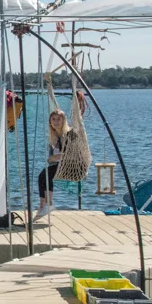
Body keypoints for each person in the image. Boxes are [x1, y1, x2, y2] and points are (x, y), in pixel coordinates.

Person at [37, 90, 88, 220]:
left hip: (76, 167)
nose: (56, 122)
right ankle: (42, 205)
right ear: (50, 123)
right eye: (53, 119)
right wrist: (53, 158)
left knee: (47, 174)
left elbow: (74, 155)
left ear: (63, 120)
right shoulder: (54, 138)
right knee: (42, 175)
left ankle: (49, 203)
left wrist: (56, 157)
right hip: (63, 166)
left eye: (59, 119)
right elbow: (53, 160)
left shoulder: (70, 134)